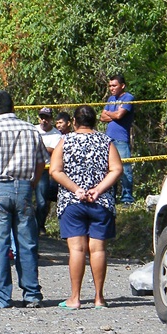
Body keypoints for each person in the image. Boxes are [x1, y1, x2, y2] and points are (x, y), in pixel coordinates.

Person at [0, 90, 47, 309]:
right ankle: (32, 294)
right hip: (23, 188)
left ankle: (2, 296)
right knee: (27, 243)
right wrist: (33, 182)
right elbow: (41, 161)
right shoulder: (31, 130)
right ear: (13, 107)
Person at [50, 105, 124, 309]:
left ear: (74, 122)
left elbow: (56, 171)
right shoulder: (106, 141)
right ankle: (99, 297)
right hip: (101, 202)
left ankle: (75, 298)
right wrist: (98, 190)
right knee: (98, 249)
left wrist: (76, 190)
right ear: (95, 122)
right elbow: (116, 169)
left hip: (72, 202)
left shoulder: (65, 141)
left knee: (77, 249)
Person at [99, 74, 136, 205]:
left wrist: (111, 114)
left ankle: (127, 198)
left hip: (121, 139)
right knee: (109, 169)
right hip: (108, 140)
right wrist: (113, 115)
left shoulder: (128, 97)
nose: (111, 88)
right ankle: (111, 197)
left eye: (114, 85)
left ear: (122, 85)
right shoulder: (111, 99)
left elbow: (120, 115)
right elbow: (102, 117)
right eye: (110, 86)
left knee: (125, 169)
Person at [35, 106, 63, 235]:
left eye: (46, 118)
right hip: (29, 168)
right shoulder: (33, 130)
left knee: (42, 201)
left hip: (44, 170)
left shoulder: (57, 134)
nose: (44, 120)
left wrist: (37, 147)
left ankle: (40, 226)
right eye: (42, 117)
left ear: (51, 119)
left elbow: (52, 150)